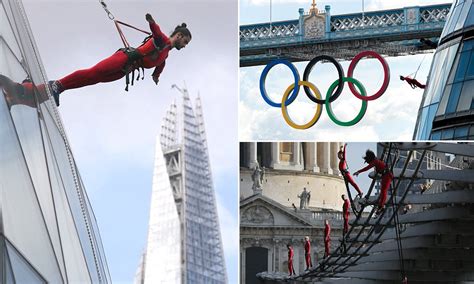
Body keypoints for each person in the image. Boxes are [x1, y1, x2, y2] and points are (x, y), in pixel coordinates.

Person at [48, 13, 191, 106]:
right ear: (178, 36)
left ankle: (59, 88)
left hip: (125, 70)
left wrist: (156, 76)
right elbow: (157, 32)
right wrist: (152, 22)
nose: (184, 46)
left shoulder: (165, 55)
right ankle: (57, 84)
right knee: (92, 73)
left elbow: (160, 65)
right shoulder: (163, 41)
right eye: (185, 42)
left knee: (93, 79)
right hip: (123, 59)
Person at [354, 150, 393, 216]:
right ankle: (381, 206)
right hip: (385, 176)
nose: (368, 163)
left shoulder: (375, 161)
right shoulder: (376, 161)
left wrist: (359, 171)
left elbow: (367, 168)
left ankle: (381, 206)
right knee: (383, 191)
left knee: (383, 191)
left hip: (387, 176)